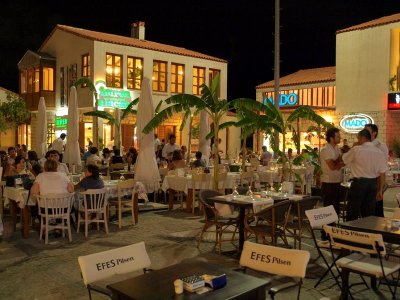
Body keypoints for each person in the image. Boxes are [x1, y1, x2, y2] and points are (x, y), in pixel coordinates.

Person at [342, 129, 388, 221]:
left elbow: (344, 159)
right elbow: (382, 173)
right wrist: (380, 190)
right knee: (369, 212)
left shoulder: (356, 149)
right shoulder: (379, 152)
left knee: (353, 210)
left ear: (363, 138)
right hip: (372, 184)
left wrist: (352, 147)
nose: (358, 140)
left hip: (359, 183)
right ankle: (367, 232)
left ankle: (352, 232)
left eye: (358, 138)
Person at [364, 123, 389, 217]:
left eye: (367, 131)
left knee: (376, 208)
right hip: (367, 180)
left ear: (374, 133)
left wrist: (380, 186)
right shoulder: (364, 146)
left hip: (377, 179)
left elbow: (382, 168)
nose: (364, 132)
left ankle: (377, 229)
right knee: (367, 208)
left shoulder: (380, 146)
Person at [320, 127, 344, 215]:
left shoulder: (337, 148)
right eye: (337, 136)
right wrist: (340, 161)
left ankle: (334, 227)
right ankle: (327, 228)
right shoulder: (326, 149)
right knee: (329, 209)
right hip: (328, 182)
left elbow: (341, 162)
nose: (340, 138)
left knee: (336, 208)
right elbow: (332, 166)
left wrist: (339, 161)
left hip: (337, 181)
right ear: (331, 138)